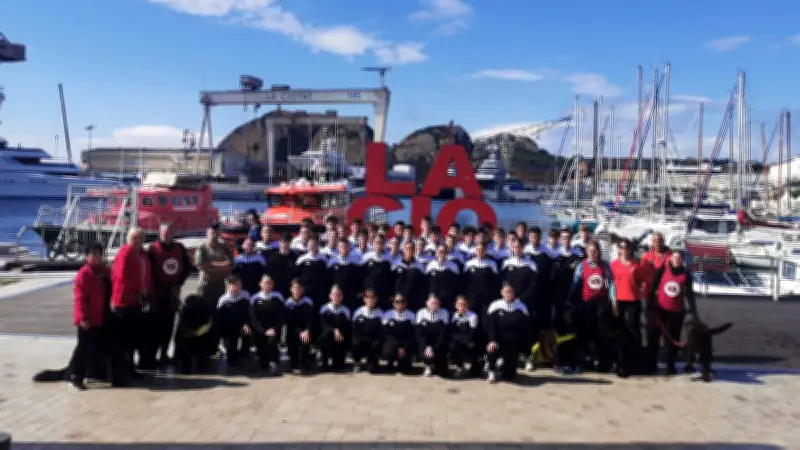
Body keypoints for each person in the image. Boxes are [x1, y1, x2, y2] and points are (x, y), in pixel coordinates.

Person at [143, 223, 192, 369]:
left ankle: (164, 355)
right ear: (160, 233)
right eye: (164, 233)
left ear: (173, 233)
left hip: (172, 296)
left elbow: (188, 267)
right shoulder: (152, 250)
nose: (166, 235)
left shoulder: (180, 248)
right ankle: (152, 357)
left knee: (169, 326)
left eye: (169, 233)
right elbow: (147, 272)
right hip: (156, 296)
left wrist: (178, 283)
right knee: (154, 327)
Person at [110, 227, 151, 387]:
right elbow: (121, 276)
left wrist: (147, 292)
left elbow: (147, 275)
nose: (137, 241)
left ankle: (130, 368)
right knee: (123, 340)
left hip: (137, 301)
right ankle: (120, 372)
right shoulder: (124, 253)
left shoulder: (142, 254)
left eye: (140, 238)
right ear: (128, 239)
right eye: (134, 237)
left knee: (133, 338)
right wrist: (139, 288)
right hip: (124, 300)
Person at [568, 240, 616, 373]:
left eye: (594, 251)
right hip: (586, 303)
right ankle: (586, 359)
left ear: (598, 252)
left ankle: (602, 361)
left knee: (601, 332)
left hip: (601, 303)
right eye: (589, 251)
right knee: (586, 332)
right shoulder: (581, 266)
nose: (592, 253)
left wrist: (614, 301)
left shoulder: (605, 265)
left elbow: (611, 283)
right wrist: (572, 303)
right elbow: (575, 285)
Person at [69, 243, 111, 390]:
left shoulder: (105, 271)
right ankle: (76, 376)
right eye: (92, 254)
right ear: (87, 256)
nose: (95, 257)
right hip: (87, 319)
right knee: (83, 348)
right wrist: (83, 317)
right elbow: (79, 297)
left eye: (98, 254)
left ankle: (95, 373)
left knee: (97, 347)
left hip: (101, 317)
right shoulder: (84, 273)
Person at [647, 250, 697, 375]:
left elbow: (689, 294)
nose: (677, 260)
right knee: (654, 337)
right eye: (675, 257)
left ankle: (670, 365)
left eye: (679, 258)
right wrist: (651, 304)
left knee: (672, 339)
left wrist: (694, 312)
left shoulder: (686, 274)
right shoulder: (662, 270)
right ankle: (651, 363)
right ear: (671, 259)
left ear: (682, 260)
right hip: (661, 310)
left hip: (677, 312)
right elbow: (653, 286)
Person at [609, 238, 650, 378]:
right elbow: (611, 284)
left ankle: (634, 361)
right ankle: (618, 361)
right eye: (622, 247)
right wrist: (613, 301)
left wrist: (643, 292)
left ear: (630, 249)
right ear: (619, 249)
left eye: (626, 247)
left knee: (633, 330)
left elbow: (646, 279)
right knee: (618, 332)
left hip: (633, 300)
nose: (624, 249)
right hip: (618, 301)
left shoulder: (636, 264)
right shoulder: (613, 265)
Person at [195, 222, 234, 357]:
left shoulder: (224, 246)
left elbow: (231, 263)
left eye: (216, 232)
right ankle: (202, 346)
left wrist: (212, 264)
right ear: (207, 233)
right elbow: (200, 264)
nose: (214, 235)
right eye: (212, 232)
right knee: (203, 315)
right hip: (205, 286)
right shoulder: (202, 247)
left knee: (216, 317)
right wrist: (221, 266)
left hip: (219, 285)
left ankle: (214, 346)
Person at [486, 284, 531, 383]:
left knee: (510, 375)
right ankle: (492, 370)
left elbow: (525, 328)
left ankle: (502, 363)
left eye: (510, 292)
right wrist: (492, 340)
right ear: (501, 292)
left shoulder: (521, 306)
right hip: (498, 341)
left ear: (514, 293)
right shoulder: (494, 305)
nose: (508, 294)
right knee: (491, 348)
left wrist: (522, 345)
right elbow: (491, 326)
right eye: (506, 292)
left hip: (513, 343)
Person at [249, 275, 285, 374]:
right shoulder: (254, 298)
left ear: (273, 285)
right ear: (260, 284)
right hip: (260, 330)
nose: (267, 285)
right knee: (261, 350)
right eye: (265, 283)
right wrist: (263, 331)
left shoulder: (278, 297)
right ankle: (262, 362)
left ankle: (273, 361)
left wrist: (275, 328)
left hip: (274, 329)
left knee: (272, 343)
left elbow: (282, 316)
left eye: (270, 283)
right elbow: (253, 318)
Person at [215, 275, 252, 368]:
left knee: (248, 334)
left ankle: (244, 354)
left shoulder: (246, 295)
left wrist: (246, 324)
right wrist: (221, 333)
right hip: (229, 328)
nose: (236, 287)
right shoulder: (223, 300)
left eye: (238, 285)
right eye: (233, 285)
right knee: (231, 351)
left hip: (242, 325)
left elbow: (249, 313)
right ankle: (232, 356)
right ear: (228, 286)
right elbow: (219, 318)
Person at [462, 240, 500, 325]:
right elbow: (464, 282)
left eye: (482, 250)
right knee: (472, 320)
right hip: (472, 298)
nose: (480, 252)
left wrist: (493, 297)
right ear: (475, 250)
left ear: (486, 251)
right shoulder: (468, 264)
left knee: (485, 322)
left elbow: (495, 283)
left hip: (486, 299)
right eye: (478, 250)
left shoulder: (492, 264)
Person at [317, 285, 352, 372]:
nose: (336, 297)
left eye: (339, 295)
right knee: (323, 337)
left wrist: (340, 332)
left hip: (340, 338)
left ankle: (339, 358)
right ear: (330, 296)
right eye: (334, 294)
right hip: (328, 336)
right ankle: (323, 360)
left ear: (342, 297)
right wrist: (334, 330)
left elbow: (347, 327)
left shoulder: (346, 310)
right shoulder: (324, 308)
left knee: (338, 367)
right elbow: (323, 326)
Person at [284, 279, 314, 374]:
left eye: (299, 288)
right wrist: (300, 332)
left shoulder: (308, 302)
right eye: (295, 288)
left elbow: (310, 318)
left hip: (305, 330)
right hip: (293, 330)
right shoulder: (287, 303)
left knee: (306, 340)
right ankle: (294, 363)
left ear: (302, 289)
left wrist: (307, 330)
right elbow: (290, 322)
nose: (297, 291)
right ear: (291, 290)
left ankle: (304, 362)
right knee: (292, 344)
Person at [416, 294, 450, 377]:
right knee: (426, 354)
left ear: (439, 304)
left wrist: (434, 348)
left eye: (436, 303)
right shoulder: (421, 313)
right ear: (426, 303)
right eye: (432, 303)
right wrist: (426, 346)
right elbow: (420, 334)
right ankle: (427, 365)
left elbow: (443, 334)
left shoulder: (444, 313)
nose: (434, 305)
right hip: (426, 343)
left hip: (438, 343)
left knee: (443, 372)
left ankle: (437, 364)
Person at [294, 235, 329, 315]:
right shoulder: (301, 258)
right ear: (308, 245)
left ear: (318, 245)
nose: (313, 246)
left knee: (318, 311)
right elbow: (297, 275)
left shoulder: (323, 258)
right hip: (306, 291)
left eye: (315, 244)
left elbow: (326, 276)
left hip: (320, 291)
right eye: (311, 244)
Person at [351, 288, 384, 373]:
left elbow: (381, 333)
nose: (370, 299)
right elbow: (354, 331)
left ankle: (371, 360)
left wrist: (377, 343)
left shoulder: (381, 314)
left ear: (376, 299)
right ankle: (357, 362)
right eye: (368, 297)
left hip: (373, 344)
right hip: (361, 342)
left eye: (372, 297)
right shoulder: (358, 312)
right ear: (364, 299)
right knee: (355, 342)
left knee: (372, 370)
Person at [381, 293, 416, 374]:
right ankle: (390, 362)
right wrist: (397, 347)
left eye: (402, 301)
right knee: (388, 352)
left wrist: (404, 347)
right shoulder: (387, 314)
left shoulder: (411, 315)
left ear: (406, 303)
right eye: (397, 302)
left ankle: (402, 361)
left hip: (406, 344)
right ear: (393, 303)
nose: (400, 304)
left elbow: (412, 334)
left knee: (406, 371)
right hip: (392, 343)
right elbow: (386, 334)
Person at [448, 295, 482, 378]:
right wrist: (464, 340)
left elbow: (471, 334)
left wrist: (466, 340)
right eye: (459, 304)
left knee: (475, 374)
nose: (462, 307)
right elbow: (452, 333)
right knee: (452, 346)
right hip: (463, 342)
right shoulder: (454, 316)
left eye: (464, 304)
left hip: (471, 342)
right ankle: (460, 367)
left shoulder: (473, 316)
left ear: (467, 305)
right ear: (455, 305)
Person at [326, 238, 362, 310]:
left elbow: (359, 278)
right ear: (338, 247)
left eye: (346, 246)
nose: (344, 248)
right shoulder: (332, 261)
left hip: (350, 294)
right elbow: (328, 279)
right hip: (336, 295)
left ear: (349, 248)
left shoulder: (355, 261)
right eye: (342, 246)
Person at [392, 241, 428, 312]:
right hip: (398, 302)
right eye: (407, 249)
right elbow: (391, 282)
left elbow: (423, 285)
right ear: (403, 250)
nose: (409, 251)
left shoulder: (420, 266)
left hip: (413, 302)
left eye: (411, 249)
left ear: (414, 251)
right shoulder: (396, 264)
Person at [360, 234, 394, 309]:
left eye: (380, 242)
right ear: (373, 242)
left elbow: (391, 278)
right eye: (376, 242)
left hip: (383, 295)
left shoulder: (389, 258)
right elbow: (361, 276)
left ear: (384, 244)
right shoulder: (366, 257)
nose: (378, 244)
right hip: (368, 296)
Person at [425, 244, 461, 310]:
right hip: (433, 301)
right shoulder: (430, 265)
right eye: (439, 251)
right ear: (436, 252)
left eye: (444, 252)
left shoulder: (453, 266)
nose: (441, 254)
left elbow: (457, 285)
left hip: (448, 300)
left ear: (447, 253)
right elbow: (426, 284)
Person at [265, 234, 297, 298]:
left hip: (291, 291)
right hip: (275, 290)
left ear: (290, 243)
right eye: (282, 242)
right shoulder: (272, 258)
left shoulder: (295, 258)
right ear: (279, 243)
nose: (284, 244)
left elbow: (297, 274)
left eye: (287, 242)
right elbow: (268, 275)